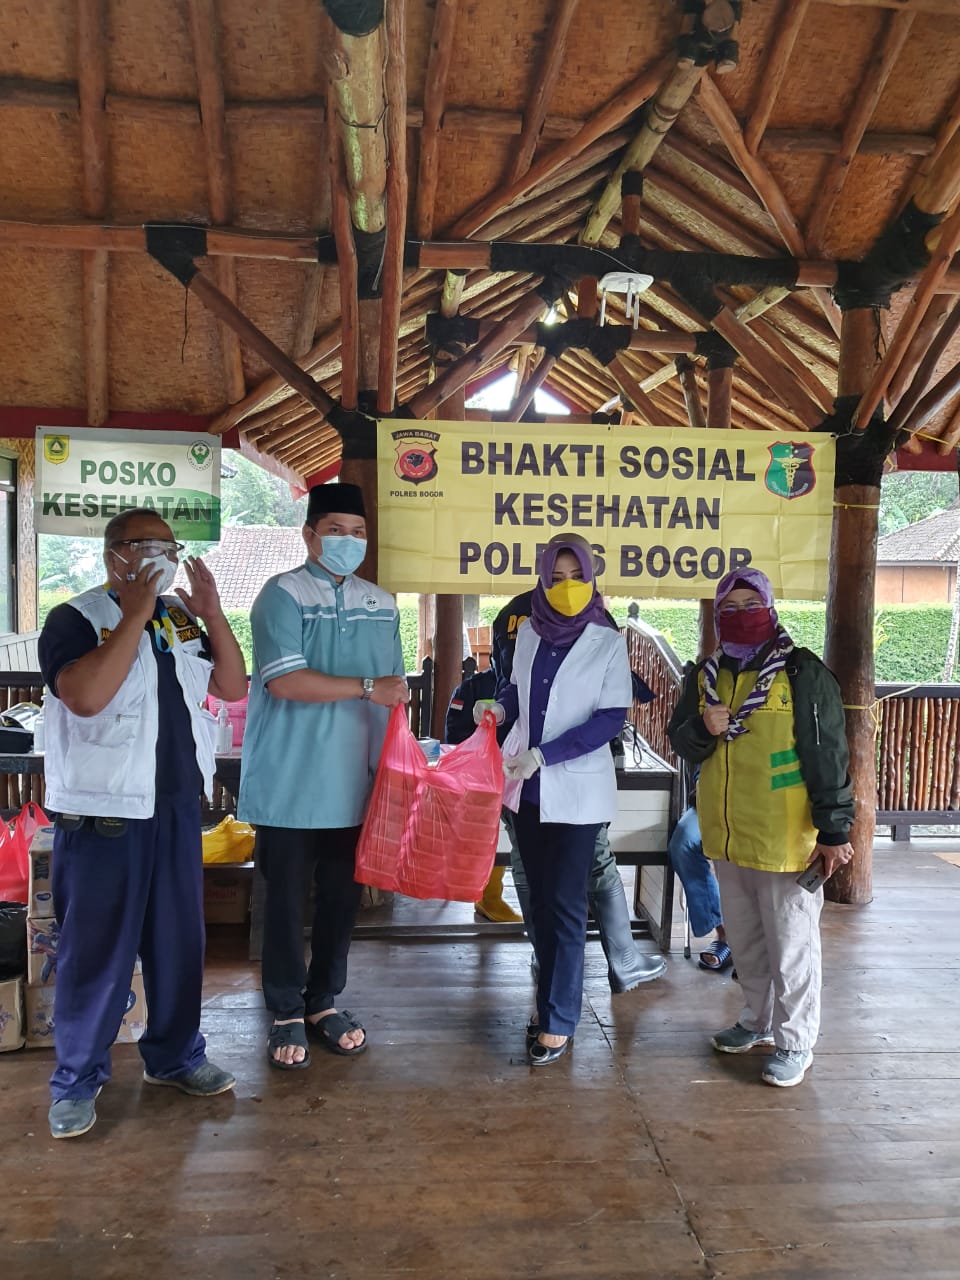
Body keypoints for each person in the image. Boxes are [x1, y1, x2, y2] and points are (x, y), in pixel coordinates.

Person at [39, 511, 248, 1139]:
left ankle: (176, 1057)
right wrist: (134, 614)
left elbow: (232, 686)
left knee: (179, 946)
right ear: (114, 556)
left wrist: (211, 612)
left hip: (179, 807)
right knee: (96, 954)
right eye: (146, 546)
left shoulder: (181, 619)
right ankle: (77, 1080)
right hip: (105, 815)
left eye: (170, 547)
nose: (161, 555)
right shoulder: (74, 618)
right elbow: (83, 695)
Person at [238, 482, 408, 1071]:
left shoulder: (382, 603)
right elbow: (284, 681)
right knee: (283, 902)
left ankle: (322, 1002)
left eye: (358, 533)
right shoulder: (281, 594)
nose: (347, 541)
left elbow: (395, 696)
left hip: (355, 785)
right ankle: (284, 1008)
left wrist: (395, 775)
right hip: (289, 783)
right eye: (336, 530)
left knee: (342, 901)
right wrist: (366, 688)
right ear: (309, 534)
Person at [668, 568, 854, 1088]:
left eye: (752, 604)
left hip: (784, 841)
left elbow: (829, 754)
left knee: (792, 947)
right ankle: (756, 1021)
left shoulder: (802, 673)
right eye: (730, 606)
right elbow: (681, 741)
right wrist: (703, 728)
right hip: (728, 837)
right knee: (747, 945)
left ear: (771, 608)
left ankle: (796, 1042)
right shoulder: (705, 676)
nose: (741, 614)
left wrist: (835, 831)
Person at [485, 534, 662, 1066]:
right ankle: (549, 1002)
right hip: (526, 789)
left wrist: (545, 753)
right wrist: (493, 709)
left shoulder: (607, 640)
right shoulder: (529, 634)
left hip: (576, 791)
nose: (566, 588)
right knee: (537, 901)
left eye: (575, 577)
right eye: (555, 578)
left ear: (591, 578)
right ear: (542, 579)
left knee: (564, 905)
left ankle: (559, 1019)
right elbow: (515, 691)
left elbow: (610, 717)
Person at [445, 666, 523, 924]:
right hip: (481, 779)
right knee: (486, 834)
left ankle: (492, 897)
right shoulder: (474, 686)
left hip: (523, 774)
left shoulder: (533, 681)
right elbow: (455, 733)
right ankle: (488, 897)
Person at [668, 802, 730, 971]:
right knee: (683, 845)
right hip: (711, 802)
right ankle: (723, 930)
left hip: (757, 803)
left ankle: (753, 941)